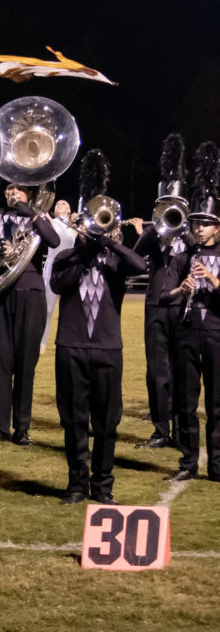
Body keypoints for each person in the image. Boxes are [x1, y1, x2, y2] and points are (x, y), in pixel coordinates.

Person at [49, 149, 146, 504]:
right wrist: (85, 252)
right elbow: (59, 285)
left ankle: (103, 487)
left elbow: (139, 266)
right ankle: (76, 485)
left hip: (108, 348)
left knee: (107, 424)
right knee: (73, 421)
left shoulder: (115, 261)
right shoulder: (67, 256)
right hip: (71, 347)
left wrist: (110, 244)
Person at [0, 182, 61, 446]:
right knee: (0, 362)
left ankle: (22, 428)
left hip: (30, 295)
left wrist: (30, 212)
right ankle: (0, 427)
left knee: (25, 364)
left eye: (19, 190)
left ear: (30, 194)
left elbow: (53, 241)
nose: (12, 193)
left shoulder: (39, 218)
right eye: (9, 189)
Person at [132, 134, 194, 449]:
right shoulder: (155, 236)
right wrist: (155, 228)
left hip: (183, 309)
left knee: (183, 370)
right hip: (155, 306)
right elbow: (136, 252)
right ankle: (160, 430)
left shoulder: (193, 236)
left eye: (176, 207)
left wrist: (187, 228)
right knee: (156, 370)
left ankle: (184, 431)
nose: (171, 211)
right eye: (165, 206)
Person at [167, 143, 220, 483]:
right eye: (196, 223)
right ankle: (187, 462)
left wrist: (213, 279)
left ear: (217, 227)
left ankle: (216, 465)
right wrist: (182, 288)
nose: (199, 228)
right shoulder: (184, 254)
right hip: (186, 330)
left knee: (216, 403)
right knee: (186, 402)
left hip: (216, 331)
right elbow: (164, 294)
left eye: (206, 224)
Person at [39, 199, 78, 353]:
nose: (60, 204)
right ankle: (42, 342)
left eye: (64, 203)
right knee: (48, 309)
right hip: (52, 267)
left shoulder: (74, 226)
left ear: (69, 210)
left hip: (69, 268)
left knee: (70, 308)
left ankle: (69, 340)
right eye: (57, 204)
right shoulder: (50, 221)